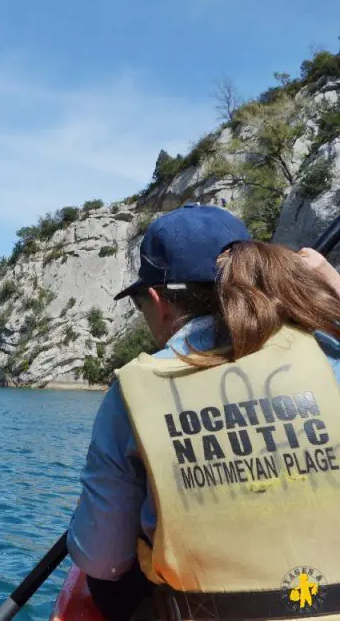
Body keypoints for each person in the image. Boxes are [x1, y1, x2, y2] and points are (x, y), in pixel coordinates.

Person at [67, 204, 340, 621]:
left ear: (157, 301)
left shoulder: (132, 392)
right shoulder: (329, 356)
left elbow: (101, 560)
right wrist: (333, 285)